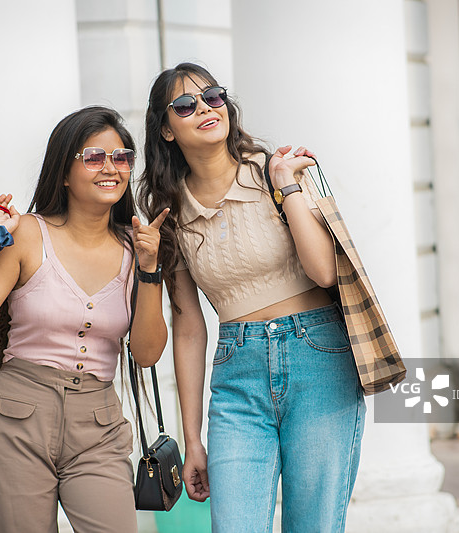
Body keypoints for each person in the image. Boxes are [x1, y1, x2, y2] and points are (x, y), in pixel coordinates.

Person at [138, 63, 366, 532]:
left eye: (213, 97)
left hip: (318, 357)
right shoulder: (169, 210)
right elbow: (188, 327)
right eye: (185, 105)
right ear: (165, 129)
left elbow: (323, 270)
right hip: (237, 371)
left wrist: (287, 186)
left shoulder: (270, 171)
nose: (204, 108)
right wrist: (192, 437)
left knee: (314, 525)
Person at [0, 106, 169, 533]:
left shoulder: (134, 246)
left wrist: (149, 268)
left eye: (121, 157)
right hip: (17, 415)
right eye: (94, 157)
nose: (111, 168)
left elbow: (146, 354)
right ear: (64, 172)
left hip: (99, 423)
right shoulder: (29, 233)